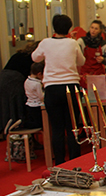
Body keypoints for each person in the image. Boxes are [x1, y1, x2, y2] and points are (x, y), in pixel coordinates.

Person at [32, 14, 85, 165]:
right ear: (68, 28)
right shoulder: (72, 43)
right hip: (71, 86)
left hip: (52, 87)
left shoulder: (46, 42)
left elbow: (35, 58)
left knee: (57, 128)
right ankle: (75, 160)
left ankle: (60, 162)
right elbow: (81, 61)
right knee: (72, 126)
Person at [0, 41, 40, 133]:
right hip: (15, 81)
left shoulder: (19, 54)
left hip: (2, 78)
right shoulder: (34, 58)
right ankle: (18, 128)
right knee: (18, 106)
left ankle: (4, 129)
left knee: (4, 105)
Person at [77, 20, 106, 89]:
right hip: (85, 74)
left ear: (100, 31)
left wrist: (103, 59)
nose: (93, 30)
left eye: (96, 28)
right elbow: (75, 53)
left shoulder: (104, 45)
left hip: (98, 74)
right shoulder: (81, 41)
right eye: (92, 27)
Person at [24, 62, 44, 129]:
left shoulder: (27, 81)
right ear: (39, 74)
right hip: (37, 106)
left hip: (29, 104)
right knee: (39, 124)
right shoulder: (37, 84)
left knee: (33, 121)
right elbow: (41, 97)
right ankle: (22, 124)